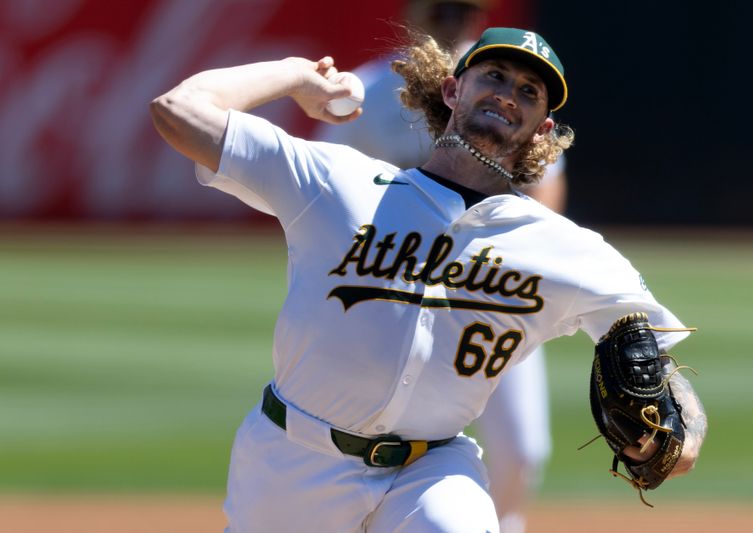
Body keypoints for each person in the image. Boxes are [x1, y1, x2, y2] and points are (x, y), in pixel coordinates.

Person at [150, 25, 707, 533]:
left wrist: (682, 438)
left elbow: (652, 357)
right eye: (493, 75)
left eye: (529, 92)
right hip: (294, 459)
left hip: (433, 467)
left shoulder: (567, 250)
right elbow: (179, 110)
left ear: (543, 130)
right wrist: (297, 75)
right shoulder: (336, 181)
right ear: (451, 91)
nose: (507, 94)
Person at [313, 3, 564, 530]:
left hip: (490, 292)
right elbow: (329, 185)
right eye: (442, 7)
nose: (452, 18)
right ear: (416, 12)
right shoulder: (374, 90)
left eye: (463, 9)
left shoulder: (514, 102)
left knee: (522, 451)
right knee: (377, 433)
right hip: (390, 290)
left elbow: (547, 195)